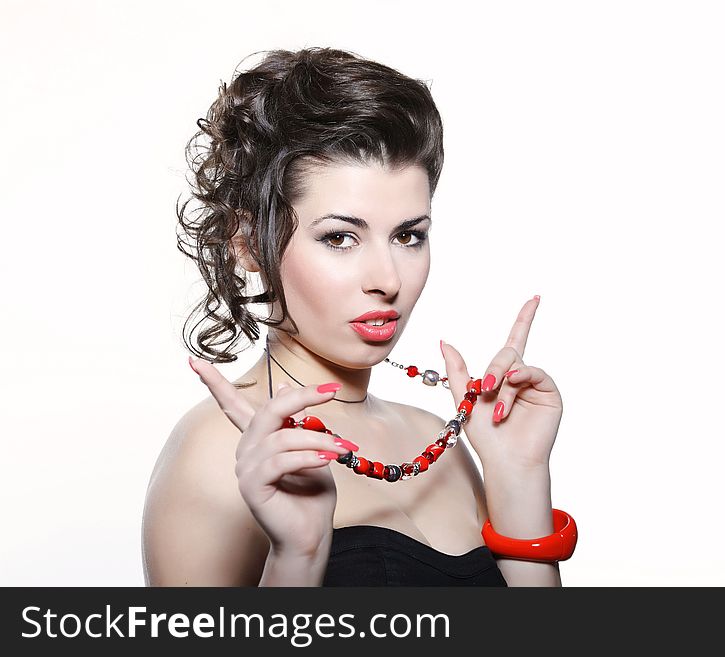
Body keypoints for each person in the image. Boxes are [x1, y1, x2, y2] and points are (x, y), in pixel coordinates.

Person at [141, 47, 573, 586]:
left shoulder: (439, 440)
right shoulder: (217, 451)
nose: (388, 279)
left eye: (407, 236)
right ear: (249, 243)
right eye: (340, 238)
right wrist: (298, 558)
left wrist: (519, 475)